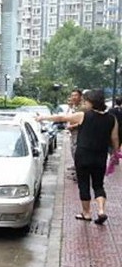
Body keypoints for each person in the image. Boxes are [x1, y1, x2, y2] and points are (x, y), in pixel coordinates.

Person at [36, 89, 119, 225]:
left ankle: (86, 213)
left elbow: (62, 118)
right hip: (100, 156)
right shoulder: (112, 119)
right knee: (98, 185)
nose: (85, 104)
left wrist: (42, 118)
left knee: (84, 183)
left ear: (91, 102)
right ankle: (101, 210)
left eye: (86, 101)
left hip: (83, 155)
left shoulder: (83, 115)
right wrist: (115, 154)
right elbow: (115, 138)